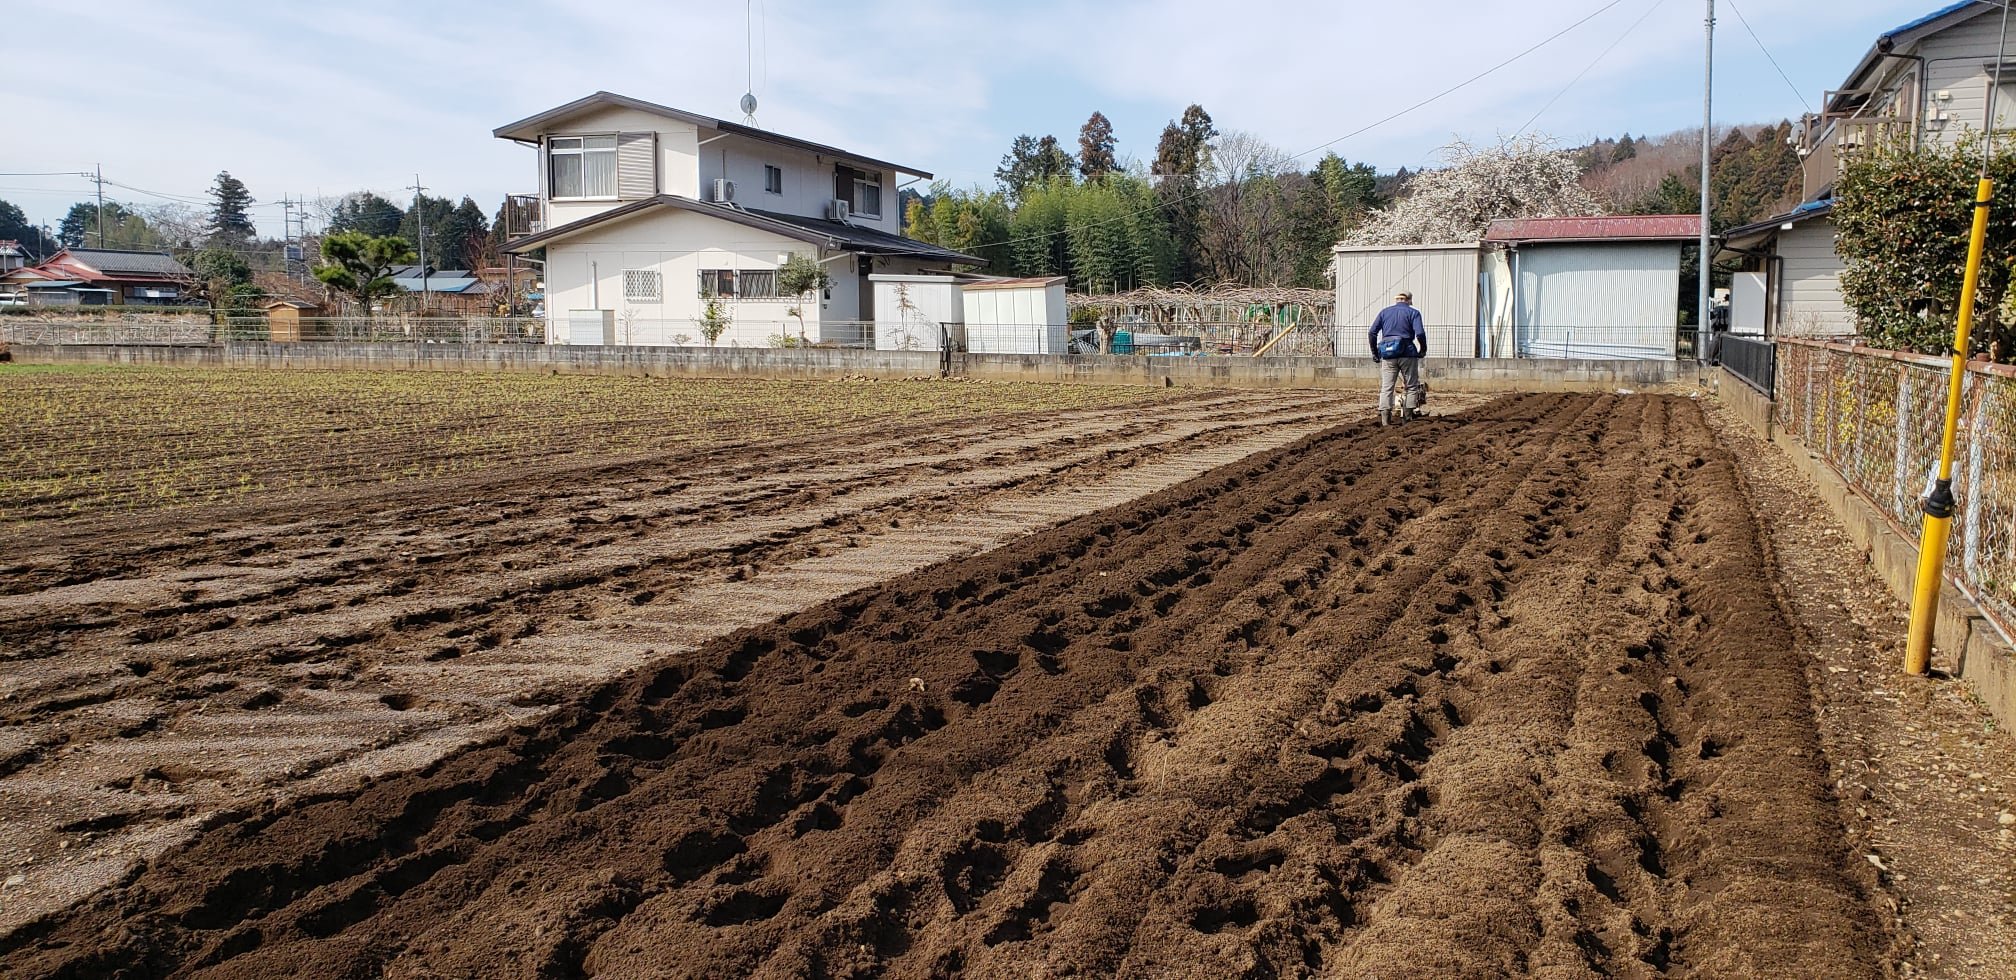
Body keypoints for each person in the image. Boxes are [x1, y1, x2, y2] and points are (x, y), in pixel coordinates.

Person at [1368, 291, 1427, 426]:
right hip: (1407, 353)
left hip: (1388, 355)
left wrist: (1375, 352)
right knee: (1411, 386)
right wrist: (1422, 349)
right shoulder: (1413, 313)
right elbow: (1420, 334)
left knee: (1387, 387)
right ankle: (1407, 419)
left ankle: (1385, 421)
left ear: (1397, 300)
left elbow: (1372, 332)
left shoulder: (1384, 312)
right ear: (1409, 300)